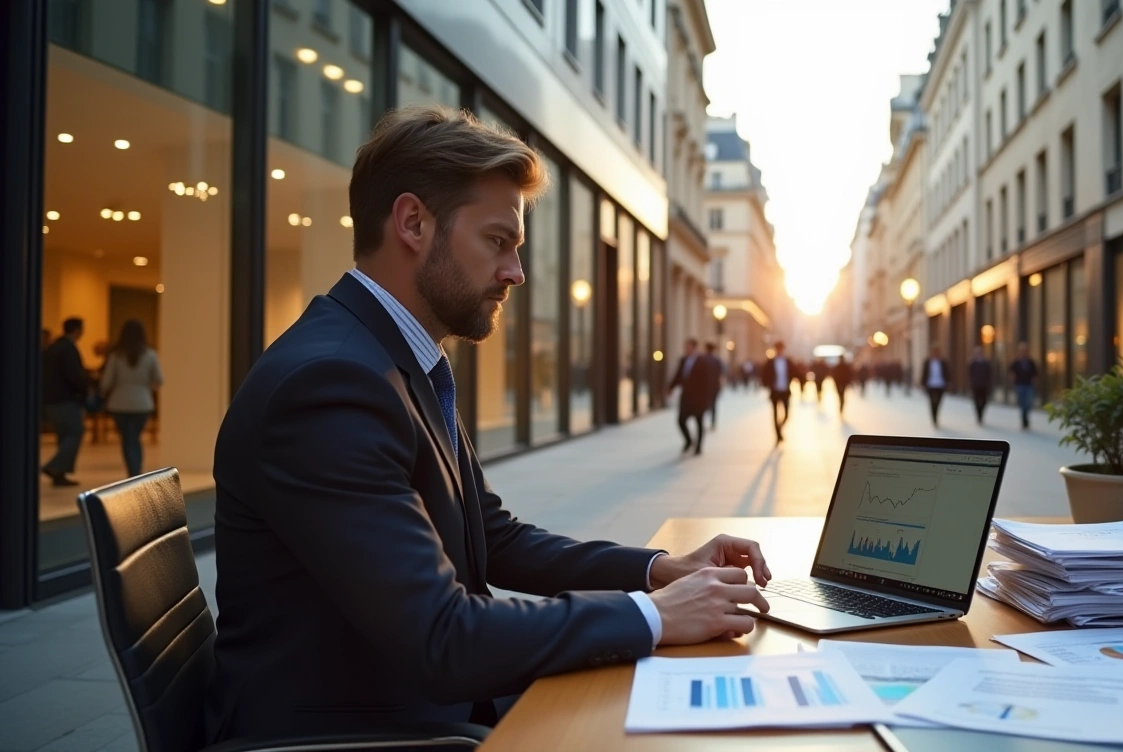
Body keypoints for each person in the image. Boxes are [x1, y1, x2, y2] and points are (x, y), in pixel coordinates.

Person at [206, 106, 773, 745]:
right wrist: (653, 616)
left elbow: (494, 537)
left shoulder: (394, 359)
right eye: (498, 241)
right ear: (413, 223)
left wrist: (658, 571)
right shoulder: (331, 386)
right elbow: (443, 638)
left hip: (410, 704)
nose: (516, 273)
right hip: (354, 732)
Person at [99, 319, 164, 477]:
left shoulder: (116, 356)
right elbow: (159, 379)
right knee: (134, 437)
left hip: (119, 403)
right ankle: (136, 470)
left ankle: (133, 471)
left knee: (128, 438)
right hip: (142, 402)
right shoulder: (150, 355)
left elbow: (106, 381)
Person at [41, 317, 88, 487]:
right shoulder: (68, 349)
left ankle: (59, 475)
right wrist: (84, 392)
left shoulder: (53, 348)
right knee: (76, 431)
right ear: (77, 330)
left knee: (64, 435)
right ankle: (54, 467)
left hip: (50, 400)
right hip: (65, 399)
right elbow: (74, 375)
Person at [668, 338, 712, 454]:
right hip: (686, 396)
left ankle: (698, 447)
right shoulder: (683, 360)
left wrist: (707, 398)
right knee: (681, 420)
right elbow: (678, 375)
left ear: (694, 347)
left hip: (699, 397)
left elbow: (707, 381)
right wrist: (670, 387)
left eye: (688, 347)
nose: (686, 349)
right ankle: (688, 440)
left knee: (699, 422)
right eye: (685, 347)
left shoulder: (702, 361)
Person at [764, 341, 791, 443]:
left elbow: (794, 372)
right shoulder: (770, 362)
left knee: (787, 414)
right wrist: (767, 384)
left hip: (785, 391)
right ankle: (778, 435)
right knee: (775, 413)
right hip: (775, 391)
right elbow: (765, 374)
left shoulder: (787, 361)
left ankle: (779, 428)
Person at [1008, 342, 1040, 429]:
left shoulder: (1030, 362)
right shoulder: (1016, 362)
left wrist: (1035, 380)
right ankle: (1024, 417)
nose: (1023, 353)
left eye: (1025, 351)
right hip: (1020, 384)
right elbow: (1011, 371)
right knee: (1022, 402)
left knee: (1028, 402)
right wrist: (1013, 378)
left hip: (1028, 385)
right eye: (1022, 351)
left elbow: (1035, 373)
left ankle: (1026, 416)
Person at [920, 345, 949, 428]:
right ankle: (934, 419)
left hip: (940, 384)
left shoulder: (943, 362)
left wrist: (948, 382)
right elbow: (924, 373)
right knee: (932, 402)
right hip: (931, 385)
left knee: (938, 402)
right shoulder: (927, 362)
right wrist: (922, 384)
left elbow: (947, 372)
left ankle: (936, 415)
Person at [703, 342, 726, 429]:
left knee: (705, 404)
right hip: (715, 386)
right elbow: (721, 373)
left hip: (705, 386)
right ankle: (713, 422)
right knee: (713, 405)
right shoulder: (717, 360)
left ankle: (704, 422)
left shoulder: (703, 360)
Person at [968, 345, 992, 426]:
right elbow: (970, 375)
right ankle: (978, 415)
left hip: (984, 385)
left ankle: (981, 413)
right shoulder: (972, 363)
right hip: (976, 386)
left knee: (984, 401)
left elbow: (989, 375)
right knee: (976, 401)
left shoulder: (986, 363)